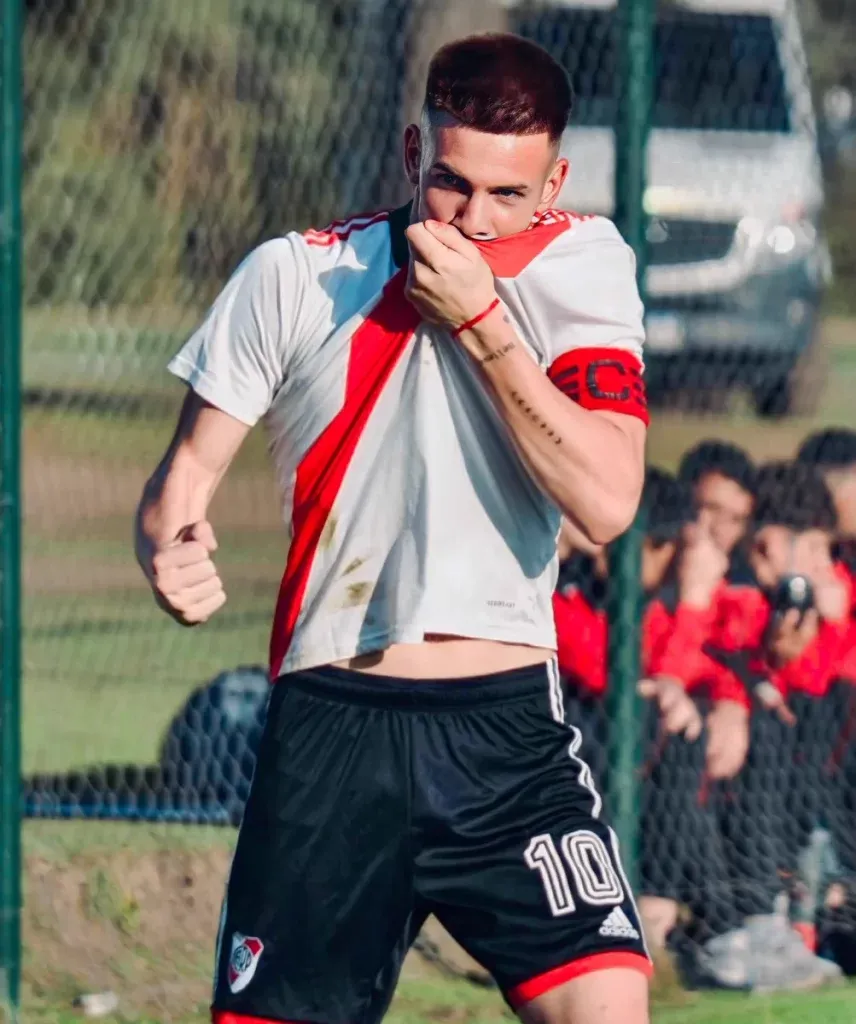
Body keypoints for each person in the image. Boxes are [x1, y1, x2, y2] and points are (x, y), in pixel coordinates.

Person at [135, 34, 652, 1024]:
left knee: (607, 1009)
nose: (474, 218)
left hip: (504, 733)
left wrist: (480, 324)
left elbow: (606, 500)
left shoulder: (583, 263)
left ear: (553, 183)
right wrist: (168, 546)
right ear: (415, 154)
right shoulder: (297, 274)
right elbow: (181, 485)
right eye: (452, 184)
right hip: (332, 727)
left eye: (509, 194)